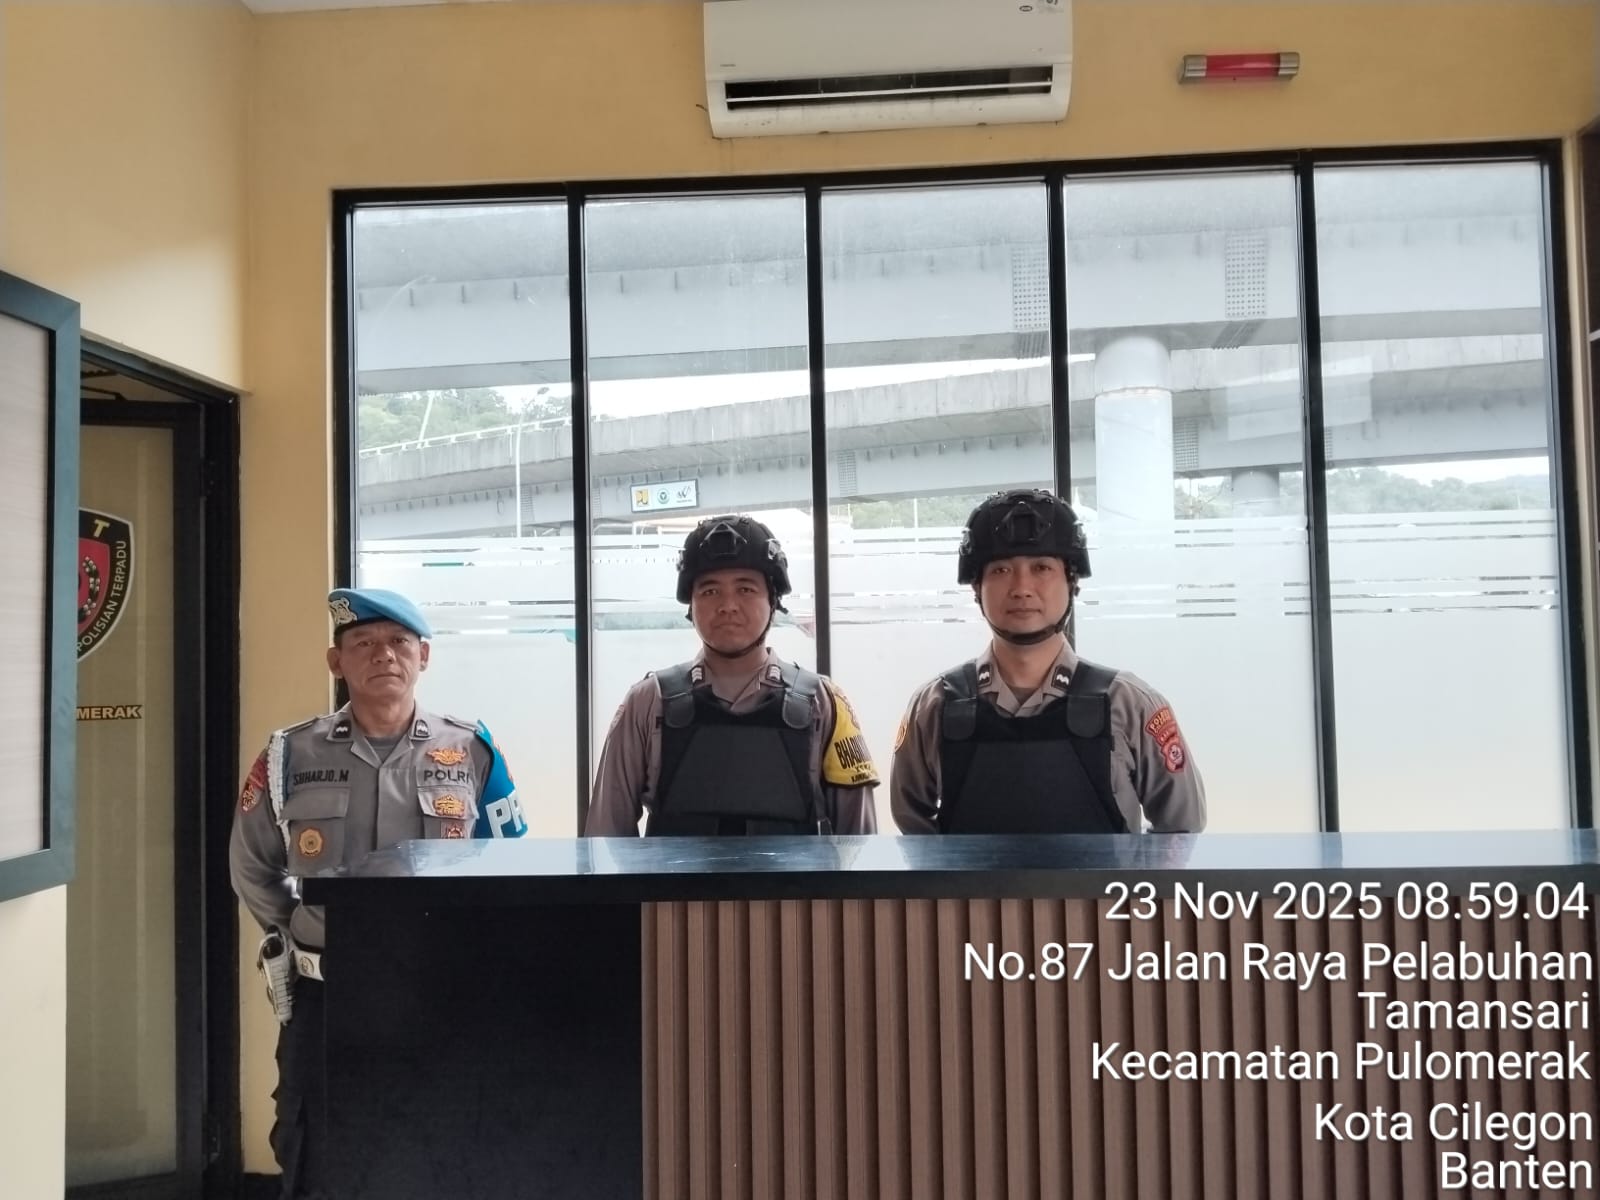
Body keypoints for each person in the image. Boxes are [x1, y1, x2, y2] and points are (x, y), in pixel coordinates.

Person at [230, 587, 527, 1199]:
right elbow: (252, 867)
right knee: (311, 1147)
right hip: (325, 994)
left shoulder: (472, 750)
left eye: (398, 642)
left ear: (424, 656)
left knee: (446, 1143)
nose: (383, 655)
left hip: (441, 991)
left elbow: (513, 862)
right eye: (363, 643)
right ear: (335, 662)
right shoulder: (289, 755)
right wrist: (304, 933)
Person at [891, 488, 1205, 835]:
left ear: (1072, 582)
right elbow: (913, 833)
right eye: (1001, 569)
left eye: (1041, 567)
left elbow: (1182, 831)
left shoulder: (1130, 704)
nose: (1022, 588)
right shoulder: (934, 706)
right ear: (976, 587)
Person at [585, 513, 879, 837]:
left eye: (745, 589)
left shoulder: (824, 703)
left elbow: (859, 846)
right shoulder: (645, 703)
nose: (728, 605)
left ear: (773, 600)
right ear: (691, 604)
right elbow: (605, 839)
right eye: (710, 591)